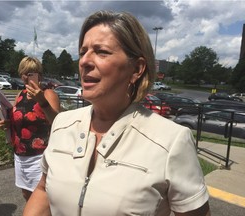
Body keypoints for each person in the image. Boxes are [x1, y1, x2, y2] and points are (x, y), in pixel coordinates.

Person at [23, 11, 211, 216]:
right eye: (83, 51)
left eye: (101, 51)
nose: (85, 61)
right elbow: (43, 190)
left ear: (136, 69)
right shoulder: (62, 123)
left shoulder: (171, 141)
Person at [0, 56, 60, 201]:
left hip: (40, 156)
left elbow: (58, 122)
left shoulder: (48, 94)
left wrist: (42, 101)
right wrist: (6, 123)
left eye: (31, 73)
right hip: (20, 157)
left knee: (42, 199)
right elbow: (17, 121)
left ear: (40, 75)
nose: (27, 77)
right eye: (24, 73)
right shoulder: (20, 95)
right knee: (26, 195)